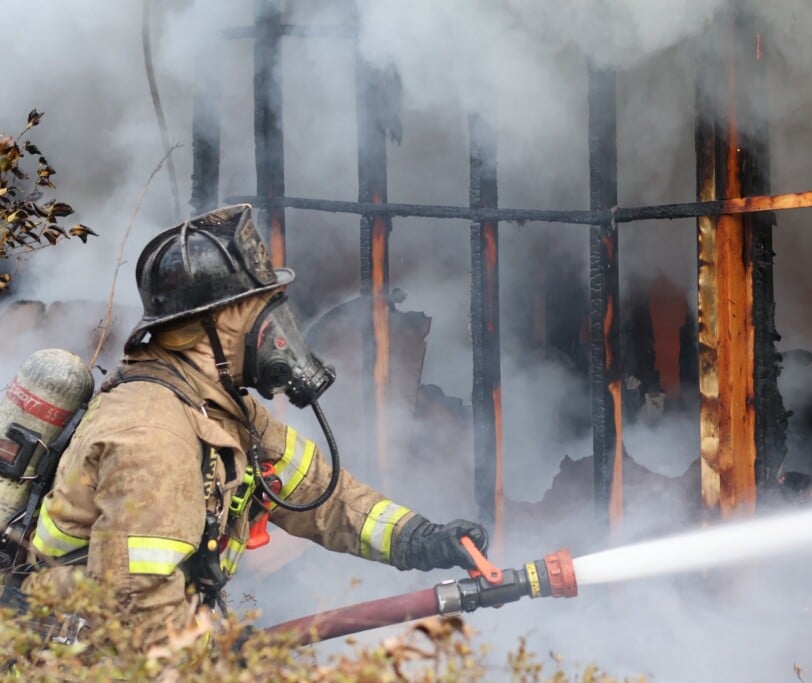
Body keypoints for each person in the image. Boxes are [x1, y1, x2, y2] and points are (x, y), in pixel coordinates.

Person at [20, 204, 488, 651]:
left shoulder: (218, 405)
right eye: (258, 307)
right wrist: (216, 654)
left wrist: (419, 539)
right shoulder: (153, 436)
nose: (277, 329)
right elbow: (139, 617)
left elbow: (318, 492)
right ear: (213, 324)